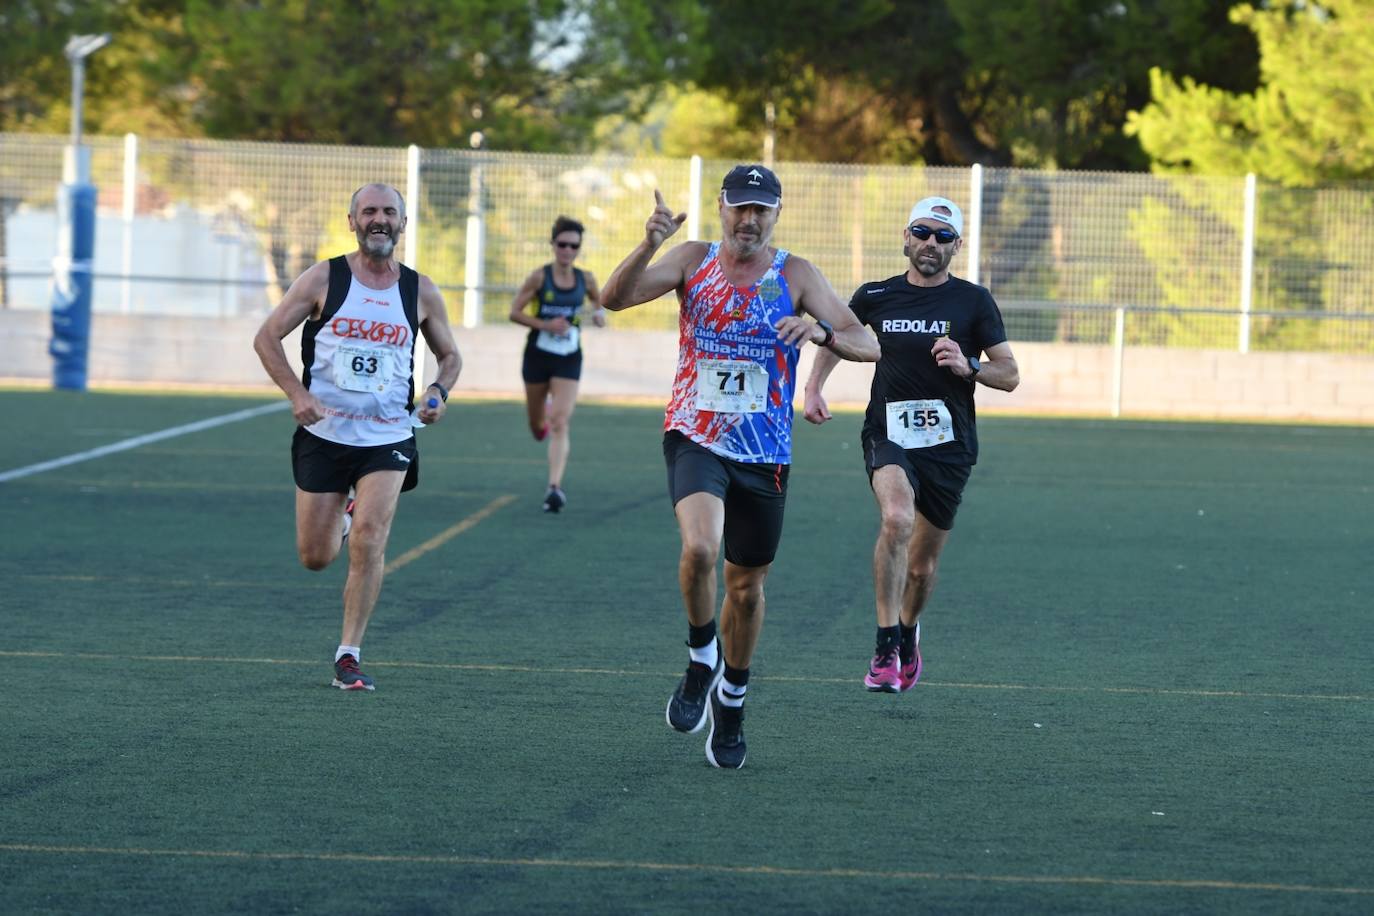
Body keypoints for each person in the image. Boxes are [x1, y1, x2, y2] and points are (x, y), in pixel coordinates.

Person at [601, 165, 880, 768]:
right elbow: (614, 298)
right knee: (701, 549)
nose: (749, 220)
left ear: (776, 215)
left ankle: (733, 695)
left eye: (762, 210)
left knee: (747, 590)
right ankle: (702, 655)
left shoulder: (796, 274)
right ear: (722, 209)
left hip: (765, 452)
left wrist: (822, 329)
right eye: (739, 208)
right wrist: (648, 242)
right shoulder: (692, 258)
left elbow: (869, 344)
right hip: (695, 433)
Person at [803, 196, 1019, 694]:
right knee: (897, 517)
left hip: (949, 444)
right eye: (922, 232)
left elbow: (1010, 374)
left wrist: (971, 366)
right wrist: (814, 386)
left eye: (943, 237)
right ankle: (884, 647)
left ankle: (907, 631)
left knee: (920, 569)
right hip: (888, 431)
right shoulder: (877, 294)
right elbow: (839, 336)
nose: (930, 244)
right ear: (906, 236)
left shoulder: (973, 301)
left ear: (956, 247)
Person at [253, 183, 462, 692]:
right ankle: (340, 517)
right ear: (352, 221)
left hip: (388, 432)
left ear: (402, 224)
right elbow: (266, 337)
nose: (379, 220)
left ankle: (349, 654)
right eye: (369, 211)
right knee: (316, 556)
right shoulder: (325, 277)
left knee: (371, 536)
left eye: (389, 212)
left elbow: (450, 357)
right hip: (324, 432)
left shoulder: (420, 290)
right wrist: (296, 394)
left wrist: (437, 391)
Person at [508, 215, 606, 513]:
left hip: (569, 357)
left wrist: (599, 314)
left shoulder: (586, 279)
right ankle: (542, 420)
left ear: (579, 249)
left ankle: (554, 488)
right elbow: (515, 312)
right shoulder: (540, 277)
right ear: (553, 245)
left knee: (560, 422)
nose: (567, 251)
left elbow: (598, 303)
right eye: (562, 244)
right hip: (538, 355)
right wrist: (546, 325)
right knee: (537, 425)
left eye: (573, 246)